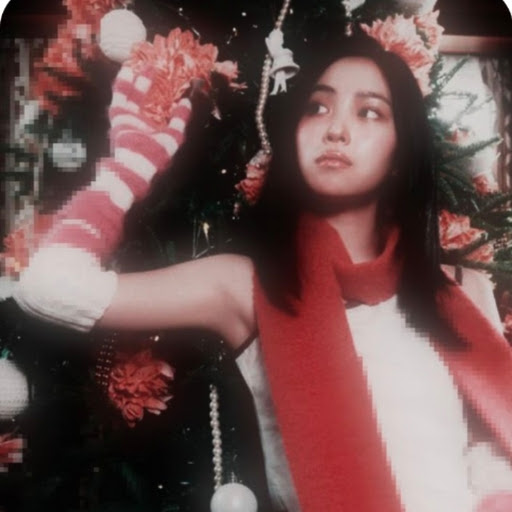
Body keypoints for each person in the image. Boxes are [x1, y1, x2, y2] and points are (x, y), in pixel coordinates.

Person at [13, 32, 512, 512]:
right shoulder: (247, 286)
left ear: (401, 153)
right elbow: (51, 287)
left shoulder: (460, 289)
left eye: (369, 112)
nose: (336, 130)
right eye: (318, 107)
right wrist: (126, 171)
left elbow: (489, 444)